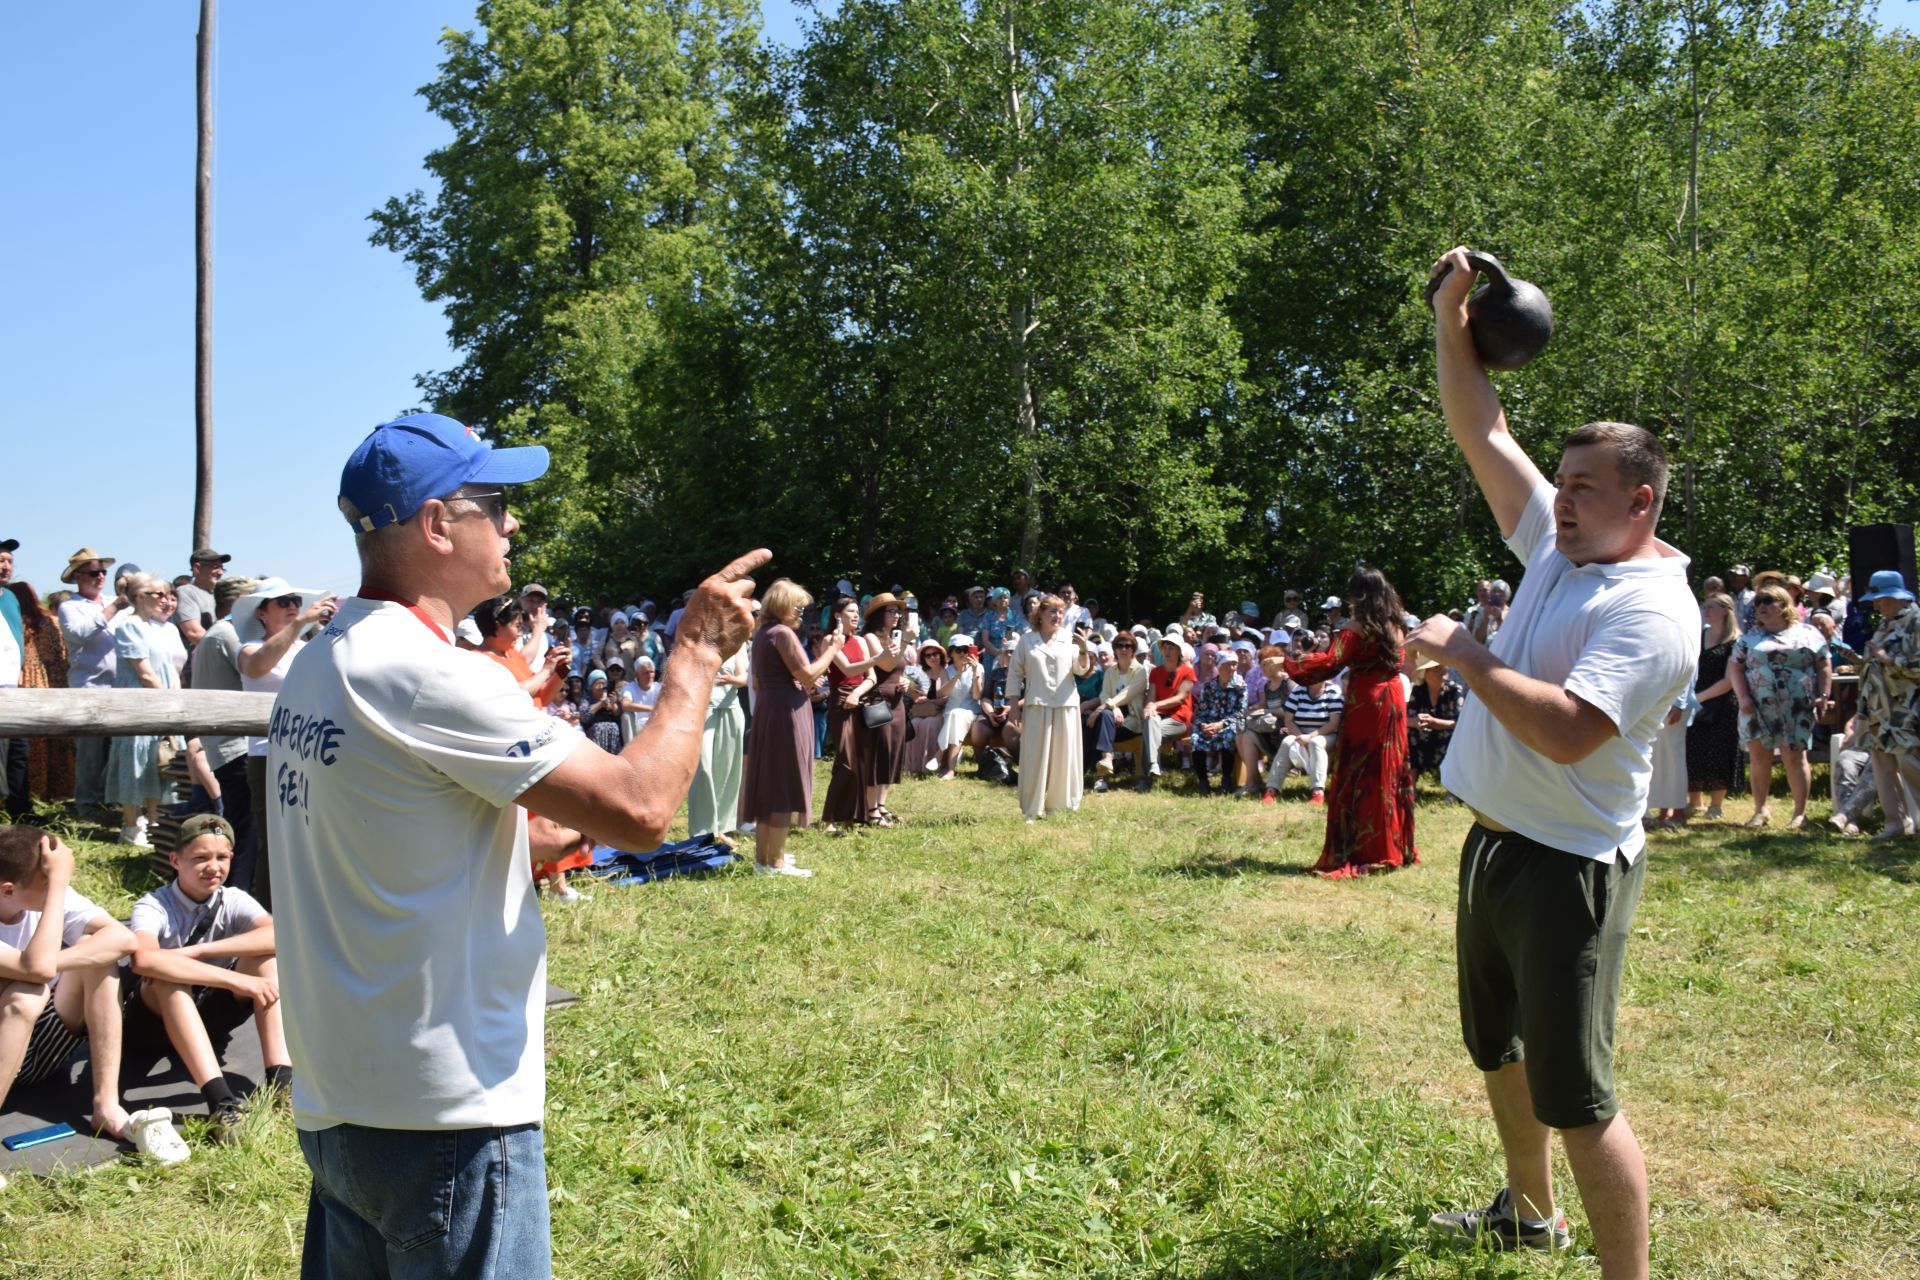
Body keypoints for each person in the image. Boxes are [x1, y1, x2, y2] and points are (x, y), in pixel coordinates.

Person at [275, 412, 762, 1277]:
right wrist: (693, 655)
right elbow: (643, 810)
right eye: (494, 502)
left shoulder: (326, 657)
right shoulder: (430, 671)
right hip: (448, 1112)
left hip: (343, 1098)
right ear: (435, 524)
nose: (513, 524)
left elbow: (448, 836)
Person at [1408, 247, 1700, 1280]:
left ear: (1645, 500)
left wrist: (1465, 652)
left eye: (1583, 487)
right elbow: (1480, 425)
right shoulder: (1560, 547)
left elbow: (1573, 729)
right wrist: (1453, 316)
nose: (1559, 499)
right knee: (1501, 1050)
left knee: (1581, 1096)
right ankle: (1530, 1216)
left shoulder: (1655, 609)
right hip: (1492, 845)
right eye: (1560, 482)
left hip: (1566, 866)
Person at [0, 825, 179, 1162]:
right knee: (28, 994)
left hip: (40, 1050)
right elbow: (36, 972)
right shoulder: (51, 892)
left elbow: (123, 940)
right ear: (8, 891)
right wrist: (56, 889)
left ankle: (106, 1104)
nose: (59, 889)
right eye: (49, 882)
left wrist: (53, 963)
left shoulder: (41, 892)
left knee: (94, 952)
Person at [124, 812, 290, 1145]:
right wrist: (234, 981)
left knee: (265, 960)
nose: (213, 867)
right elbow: (143, 959)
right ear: (175, 860)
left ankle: (284, 1083)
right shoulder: (153, 904)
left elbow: (278, 936)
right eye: (200, 858)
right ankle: (220, 1101)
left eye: (222, 857)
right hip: (151, 1024)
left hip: (208, 1011)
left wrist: (198, 951)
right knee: (167, 976)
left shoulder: (233, 899)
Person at [1283, 567, 1414, 877]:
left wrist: (1291, 663)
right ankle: (1395, 847)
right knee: (1389, 769)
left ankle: (1366, 850)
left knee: (1361, 773)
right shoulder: (1396, 626)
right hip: (1393, 699)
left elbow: (1330, 662)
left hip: (1367, 702)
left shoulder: (1355, 627)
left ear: (1358, 594)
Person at [237, 580, 339, 908]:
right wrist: (300, 624)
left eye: (294, 599)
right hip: (267, 755)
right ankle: (270, 918)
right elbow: (257, 666)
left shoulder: (307, 646)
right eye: (281, 601)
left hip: (308, 752)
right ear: (261, 612)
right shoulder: (249, 647)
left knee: (311, 839)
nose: (291, 604)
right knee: (276, 842)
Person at [741, 579, 846, 876]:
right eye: (798, 606)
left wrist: (797, 683)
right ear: (783, 606)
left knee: (770, 786)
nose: (802, 612)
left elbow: (767, 680)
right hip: (786, 713)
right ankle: (774, 862)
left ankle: (766, 858)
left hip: (771, 710)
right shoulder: (783, 634)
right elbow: (809, 674)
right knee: (783, 786)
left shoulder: (763, 633)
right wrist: (832, 649)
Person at [1728, 584, 1832, 829]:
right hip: (1755, 706)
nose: (1761, 606)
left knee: (1794, 757)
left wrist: (1823, 695)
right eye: (1758, 603)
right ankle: (1760, 810)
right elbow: (1735, 667)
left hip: (1796, 705)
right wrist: (1742, 697)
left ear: (1785, 605)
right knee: (1758, 758)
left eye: (1768, 601)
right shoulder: (1749, 637)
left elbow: (1824, 664)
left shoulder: (1808, 633)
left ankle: (1799, 814)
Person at [106, 574, 186, 847]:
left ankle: (154, 824)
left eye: (167, 594)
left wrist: (177, 701)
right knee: (134, 758)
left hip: (165, 698)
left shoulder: (162, 628)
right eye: (158, 594)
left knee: (158, 759)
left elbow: (172, 668)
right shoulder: (129, 625)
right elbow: (144, 672)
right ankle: (130, 826)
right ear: (140, 596)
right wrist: (166, 702)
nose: (165, 599)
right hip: (139, 700)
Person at [1006, 595, 1093, 821]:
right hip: (1037, 704)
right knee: (1035, 757)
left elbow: (1081, 670)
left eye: (1060, 612)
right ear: (1040, 614)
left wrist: (1083, 649)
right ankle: (1032, 809)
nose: (1057, 617)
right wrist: (1014, 705)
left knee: (1064, 757)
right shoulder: (1027, 641)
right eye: (1052, 612)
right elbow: (1015, 674)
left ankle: (1060, 807)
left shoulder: (1069, 639)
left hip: (1066, 705)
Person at [55, 548, 124, 819]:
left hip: (119, 686)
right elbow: (79, 634)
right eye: (94, 572)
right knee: (90, 752)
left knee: (116, 748)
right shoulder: (69, 606)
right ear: (78, 577)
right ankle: (86, 805)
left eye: (103, 571)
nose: (100, 577)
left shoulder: (110, 601)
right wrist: (115, 608)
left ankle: (110, 801)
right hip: (89, 687)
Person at [1856, 569, 1920, 840]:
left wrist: (1891, 661)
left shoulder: (1916, 621)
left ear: (1897, 597)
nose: (1876, 604)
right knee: (1883, 765)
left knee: (1911, 764)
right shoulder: (1885, 623)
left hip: (1907, 709)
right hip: (1880, 710)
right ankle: (1895, 823)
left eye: (1881, 599)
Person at [5, 579, 75, 811]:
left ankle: (31, 792)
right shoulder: (50, 621)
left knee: (31, 745)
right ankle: (55, 791)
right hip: (52, 681)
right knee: (51, 742)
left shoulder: (22, 623)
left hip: (27, 683)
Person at [820, 596, 881, 832]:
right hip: (840, 703)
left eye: (858, 612)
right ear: (838, 615)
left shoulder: (861, 641)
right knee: (846, 761)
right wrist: (877, 659)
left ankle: (850, 817)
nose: (856, 615)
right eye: (851, 611)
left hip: (860, 700)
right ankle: (828, 818)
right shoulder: (829, 640)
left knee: (860, 761)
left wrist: (858, 692)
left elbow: (872, 677)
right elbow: (846, 668)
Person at [1685, 592, 1741, 820]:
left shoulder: (1735, 640)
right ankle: (1694, 801)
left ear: (1726, 610)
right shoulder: (1698, 637)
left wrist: (1700, 697)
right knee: (1693, 750)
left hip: (1723, 703)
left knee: (1720, 752)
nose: (1706, 611)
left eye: (1712, 607)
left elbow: (1729, 680)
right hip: (1695, 699)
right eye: (1704, 606)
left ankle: (1716, 805)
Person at [855, 594, 910, 827]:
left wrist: (906, 682)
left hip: (897, 703)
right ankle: (870, 809)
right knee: (878, 753)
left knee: (892, 754)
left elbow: (897, 669)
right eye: (891, 611)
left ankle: (881, 804)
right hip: (878, 702)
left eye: (898, 612)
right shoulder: (870, 637)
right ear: (879, 614)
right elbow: (885, 664)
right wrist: (906, 642)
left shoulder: (892, 637)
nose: (897, 615)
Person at [687, 641, 749, 842]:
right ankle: (702, 831)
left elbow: (745, 677)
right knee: (703, 769)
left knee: (727, 770)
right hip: (703, 710)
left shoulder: (738, 644)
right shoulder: (701, 641)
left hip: (731, 709)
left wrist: (734, 680)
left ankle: (722, 828)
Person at [1085, 631, 1148, 789]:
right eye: (1120, 645)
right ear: (1115, 649)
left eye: (1128, 646)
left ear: (1133, 649)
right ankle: (1103, 764)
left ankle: (1100, 775)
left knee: (1100, 719)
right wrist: (1113, 708)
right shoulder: (1110, 673)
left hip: (1132, 721)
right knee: (1098, 721)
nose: (1124, 649)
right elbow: (1104, 694)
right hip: (1112, 718)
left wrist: (1107, 707)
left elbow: (1128, 694)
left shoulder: (1140, 672)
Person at [1133, 636, 1196, 791]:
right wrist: (1149, 707)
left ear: (1179, 651)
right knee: (1150, 721)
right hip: (1158, 717)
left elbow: (1180, 698)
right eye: (1165, 648)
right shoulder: (1156, 672)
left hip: (1178, 719)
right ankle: (1153, 766)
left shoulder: (1187, 671)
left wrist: (1155, 705)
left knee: (1149, 732)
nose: (1167, 652)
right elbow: (1151, 697)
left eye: (1171, 648)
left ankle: (1145, 779)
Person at [1188, 648, 1247, 796]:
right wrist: (1204, 726)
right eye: (1228, 664)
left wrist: (1221, 724)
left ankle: (1226, 778)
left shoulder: (1241, 686)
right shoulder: (1209, 687)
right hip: (1209, 723)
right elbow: (1201, 712)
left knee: (1228, 736)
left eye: (1234, 664)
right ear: (1219, 666)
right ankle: (1203, 780)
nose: (1232, 668)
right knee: (1196, 738)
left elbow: (1240, 713)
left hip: (1229, 724)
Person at [933, 636, 984, 779]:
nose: (962, 653)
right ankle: (948, 768)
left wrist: (974, 674)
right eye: (958, 650)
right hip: (951, 710)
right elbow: (944, 693)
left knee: (957, 715)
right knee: (955, 715)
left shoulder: (978, 668)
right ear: (951, 653)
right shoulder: (947, 670)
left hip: (970, 710)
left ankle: (942, 758)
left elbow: (976, 696)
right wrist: (958, 674)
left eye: (966, 649)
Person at [1407, 655, 1465, 781]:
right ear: (1425, 674)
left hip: (1446, 737)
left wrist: (1435, 723)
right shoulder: (1418, 691)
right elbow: (1406, 719)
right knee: (1409, 734)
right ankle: (1411, 785)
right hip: (1423, 737)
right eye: (1436, 668)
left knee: (1456, 737)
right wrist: (1416, 722)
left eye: (1443, 666)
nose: (1442, 670)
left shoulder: (1455, 690)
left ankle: (1453, 788)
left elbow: (1460, 723)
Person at [170, 547, 230, 652]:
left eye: (222, 568)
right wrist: (229, 652)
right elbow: (194, 633)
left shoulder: (218, 595)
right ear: (197, 568)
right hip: (194, 666)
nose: (220, 573)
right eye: (215, 567)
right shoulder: (186, 592)